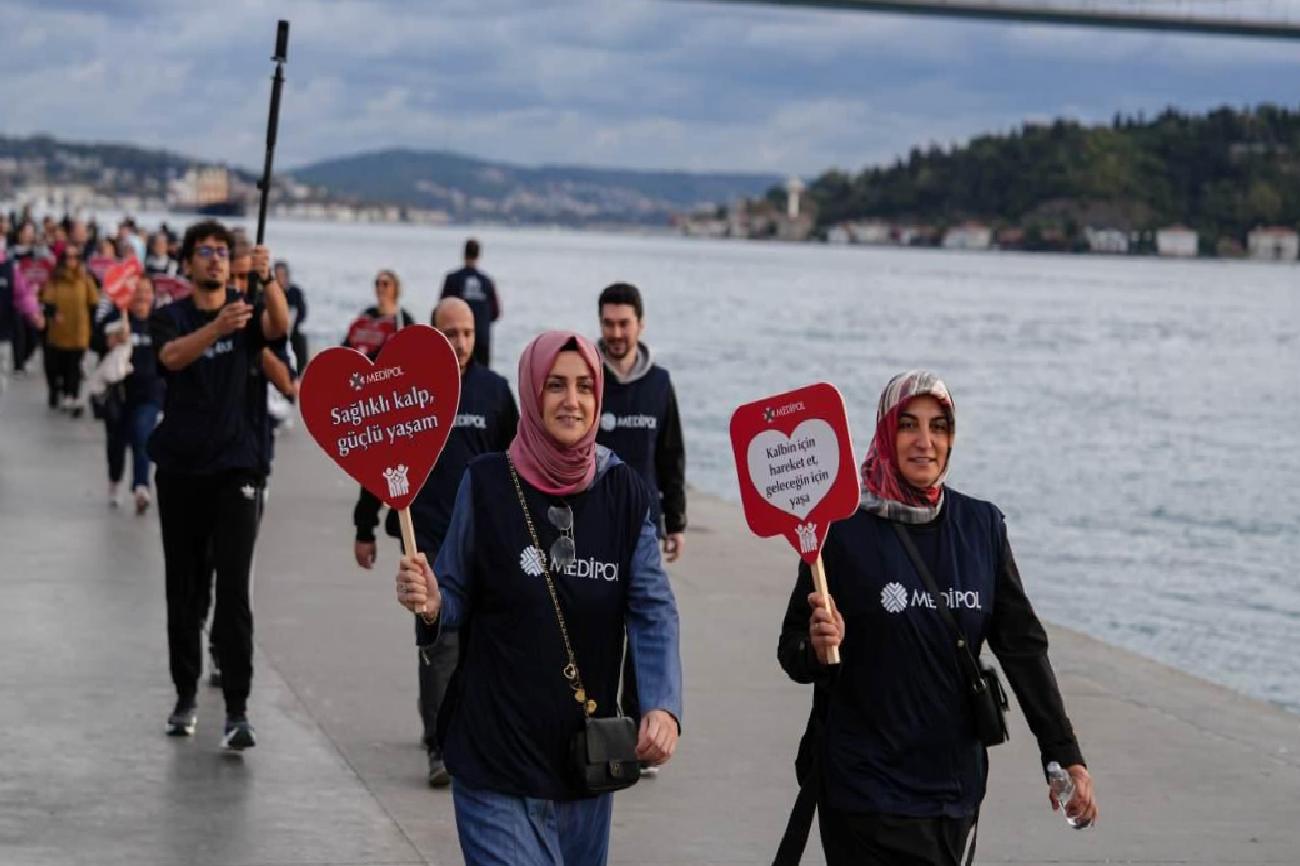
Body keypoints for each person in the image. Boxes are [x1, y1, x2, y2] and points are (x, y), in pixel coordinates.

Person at [776, 370, 1098, 866]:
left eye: (939, 427)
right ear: (885, 432)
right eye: (907, 425)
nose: (925, 442)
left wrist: (1063, 753)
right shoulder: (839, 528)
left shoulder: (981, 528)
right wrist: (818, 649)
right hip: (864, 788)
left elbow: (1023, 647)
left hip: (953, 791)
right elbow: (793, 649)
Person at [396, 331, 681, 865]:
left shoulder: (625, 492)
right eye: (555, 385)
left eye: (583, 387)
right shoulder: (486, 482)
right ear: (531, 391)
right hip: (494, 755)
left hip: (585, 764)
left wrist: (662, 704)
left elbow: (653, 609)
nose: (571, 401)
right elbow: (453, 592)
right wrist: (433, 602)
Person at [354, 297, 518, 787]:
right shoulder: (408, 388)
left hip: (485, 541)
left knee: (483, 646)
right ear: (432, 333)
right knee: (440, 643)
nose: (461, 343)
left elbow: (515, 466)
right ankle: (440, 747)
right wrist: (365, 527)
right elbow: (377, 460)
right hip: (427, 539)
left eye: (468, 333)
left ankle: (480, 735)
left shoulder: (495, 391)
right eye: (450, 333)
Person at [148, 219, 289, 749]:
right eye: (204, 252)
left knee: (234, 590)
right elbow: (170, 359)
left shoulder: (246, 313)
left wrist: (267, 275)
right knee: (184, 590)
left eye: (221, 252)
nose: (214, 259)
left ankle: (237, 707)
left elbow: (278, 327)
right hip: (181, 471)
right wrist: (216, 329)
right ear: (187, 264)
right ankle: (185, 695)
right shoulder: (170, 318)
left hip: (236, 470)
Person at [593, 282, 687, 766]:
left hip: (644, 528)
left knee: (645, 626)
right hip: (589, 525)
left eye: (624, 323)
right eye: (608, 323)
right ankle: (595, 723)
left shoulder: (659, 383)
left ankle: (637, 730)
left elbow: (671, 453)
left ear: (640, 325)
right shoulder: (586, 378)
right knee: (596, 629)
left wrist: (677, 521)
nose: (615, 333)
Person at [91, 275, 164, 512]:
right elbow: (94, 343)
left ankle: (141, 486)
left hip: (150, 394)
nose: (142, 296)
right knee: (116, 442)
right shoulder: (117, 317)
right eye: (137, 291)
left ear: (153, 295)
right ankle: (114, 480)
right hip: (119, 393)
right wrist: (111, 339)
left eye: (146, 291)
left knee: (143, 435)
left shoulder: (160, 323)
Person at [40, 245, 100, 414]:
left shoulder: (85, 279)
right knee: (57, 365)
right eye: (68, 257)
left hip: (79, 329)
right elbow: (47, 301)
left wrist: (93, 327)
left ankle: (71, 394)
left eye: (74, 257)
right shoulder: (55, 280)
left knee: (74, 365)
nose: (71, 261)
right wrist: (53, 314)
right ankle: (58, 391)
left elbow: (94, 302)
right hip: (59, 330)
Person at [439, 239, 500, 368]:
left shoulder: (452, 279)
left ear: (463, 254)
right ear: (478, 255)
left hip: (458, 342)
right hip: (482, 339)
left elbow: (441, 311)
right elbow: (496, 313)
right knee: (482, 380)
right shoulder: (487, 281)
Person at [345, 269, 415, 358]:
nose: (380, 288)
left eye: (385, 284)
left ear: (395, 288)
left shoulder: (404, 319)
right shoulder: (367, 314)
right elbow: (348, 343)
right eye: (377, 284)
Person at [274, 260, 308, 374]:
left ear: (287, 276)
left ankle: (301, 374)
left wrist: (292, 324)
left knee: (301, 340)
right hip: (274, 330)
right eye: (277, 276)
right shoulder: (271, 292)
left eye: (281, 276)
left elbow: (303, 313)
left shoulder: (295, 292)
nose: (279, 279)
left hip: (292, 330)